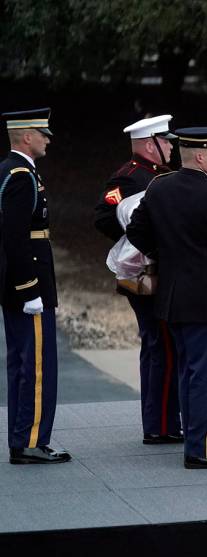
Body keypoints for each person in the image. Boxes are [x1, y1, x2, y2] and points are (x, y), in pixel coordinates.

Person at [126, 127, 207, 469]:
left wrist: (164, 254)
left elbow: (136, 231)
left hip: (172, 296)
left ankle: (195, 443)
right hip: (206, 297)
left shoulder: (158, 186)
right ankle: (204, 450)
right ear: (200, 155)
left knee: (188, 372)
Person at [94, 115, 182, 444]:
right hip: (146, 273)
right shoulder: (131, 178)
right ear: (150, 144)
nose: (171, 146)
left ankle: (163, 422)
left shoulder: (157, 176)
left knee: (161, 346)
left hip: (157, 270)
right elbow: (105, 217)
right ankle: (160, 425)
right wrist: (140, 239)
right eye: (166, 141)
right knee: (161, 347)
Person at [0, 107, 71, 464]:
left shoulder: (15, 171)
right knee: (36, 366)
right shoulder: (20, 176)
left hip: (22, 283)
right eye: (43, 134)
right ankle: (29, 441)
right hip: (29, 285)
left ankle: (22, 437)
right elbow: (14, 238)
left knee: (23, 363)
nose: (47, 140)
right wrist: (29, 288)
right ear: (26, 136)